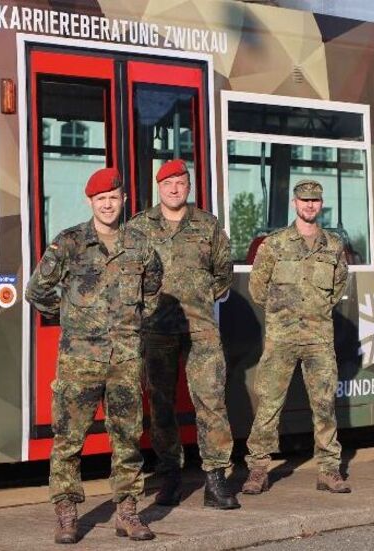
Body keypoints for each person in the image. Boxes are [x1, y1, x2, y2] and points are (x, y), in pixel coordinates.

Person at [25, 167, 163, 543]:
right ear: (91, 201)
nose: (107, 204)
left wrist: (130, 324)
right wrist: (71, 317)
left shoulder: (141, 245)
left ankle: (128, 512)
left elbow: (151, 293)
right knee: (69, 439)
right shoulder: (69, 242)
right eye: (101, 199)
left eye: (113, 198)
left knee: (127, 437)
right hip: (79, 358)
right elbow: (37, 290)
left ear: (123, 200)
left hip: (125, 359)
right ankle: (67, 514)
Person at [127, 159, 240, 510]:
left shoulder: (208, 225)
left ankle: (216, 480)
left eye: (181, 182)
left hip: (201, 329)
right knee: (161, 405)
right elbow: (129, 275)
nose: (175, 189)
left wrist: (201, 298)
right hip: (157, 330)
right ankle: (170, 478)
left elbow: (223, 272)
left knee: (212, 402)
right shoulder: (139, 226)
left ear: (189, 187)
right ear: (158, 188)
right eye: (168, 183)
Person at [242, 179, 351, 495]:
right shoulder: (275, 244)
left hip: (319, 339)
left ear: (321, 204)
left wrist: (315, 310)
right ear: (294, 203)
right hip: (282, 339)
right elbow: (257, 288)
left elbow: (338, 286)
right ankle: (258, 470)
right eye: (304, 200)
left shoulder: (333, 245)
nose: (309, 206)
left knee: (324, 405)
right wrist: (284, 313)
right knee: (269, 405)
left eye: (315, 201)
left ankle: (329, 471)